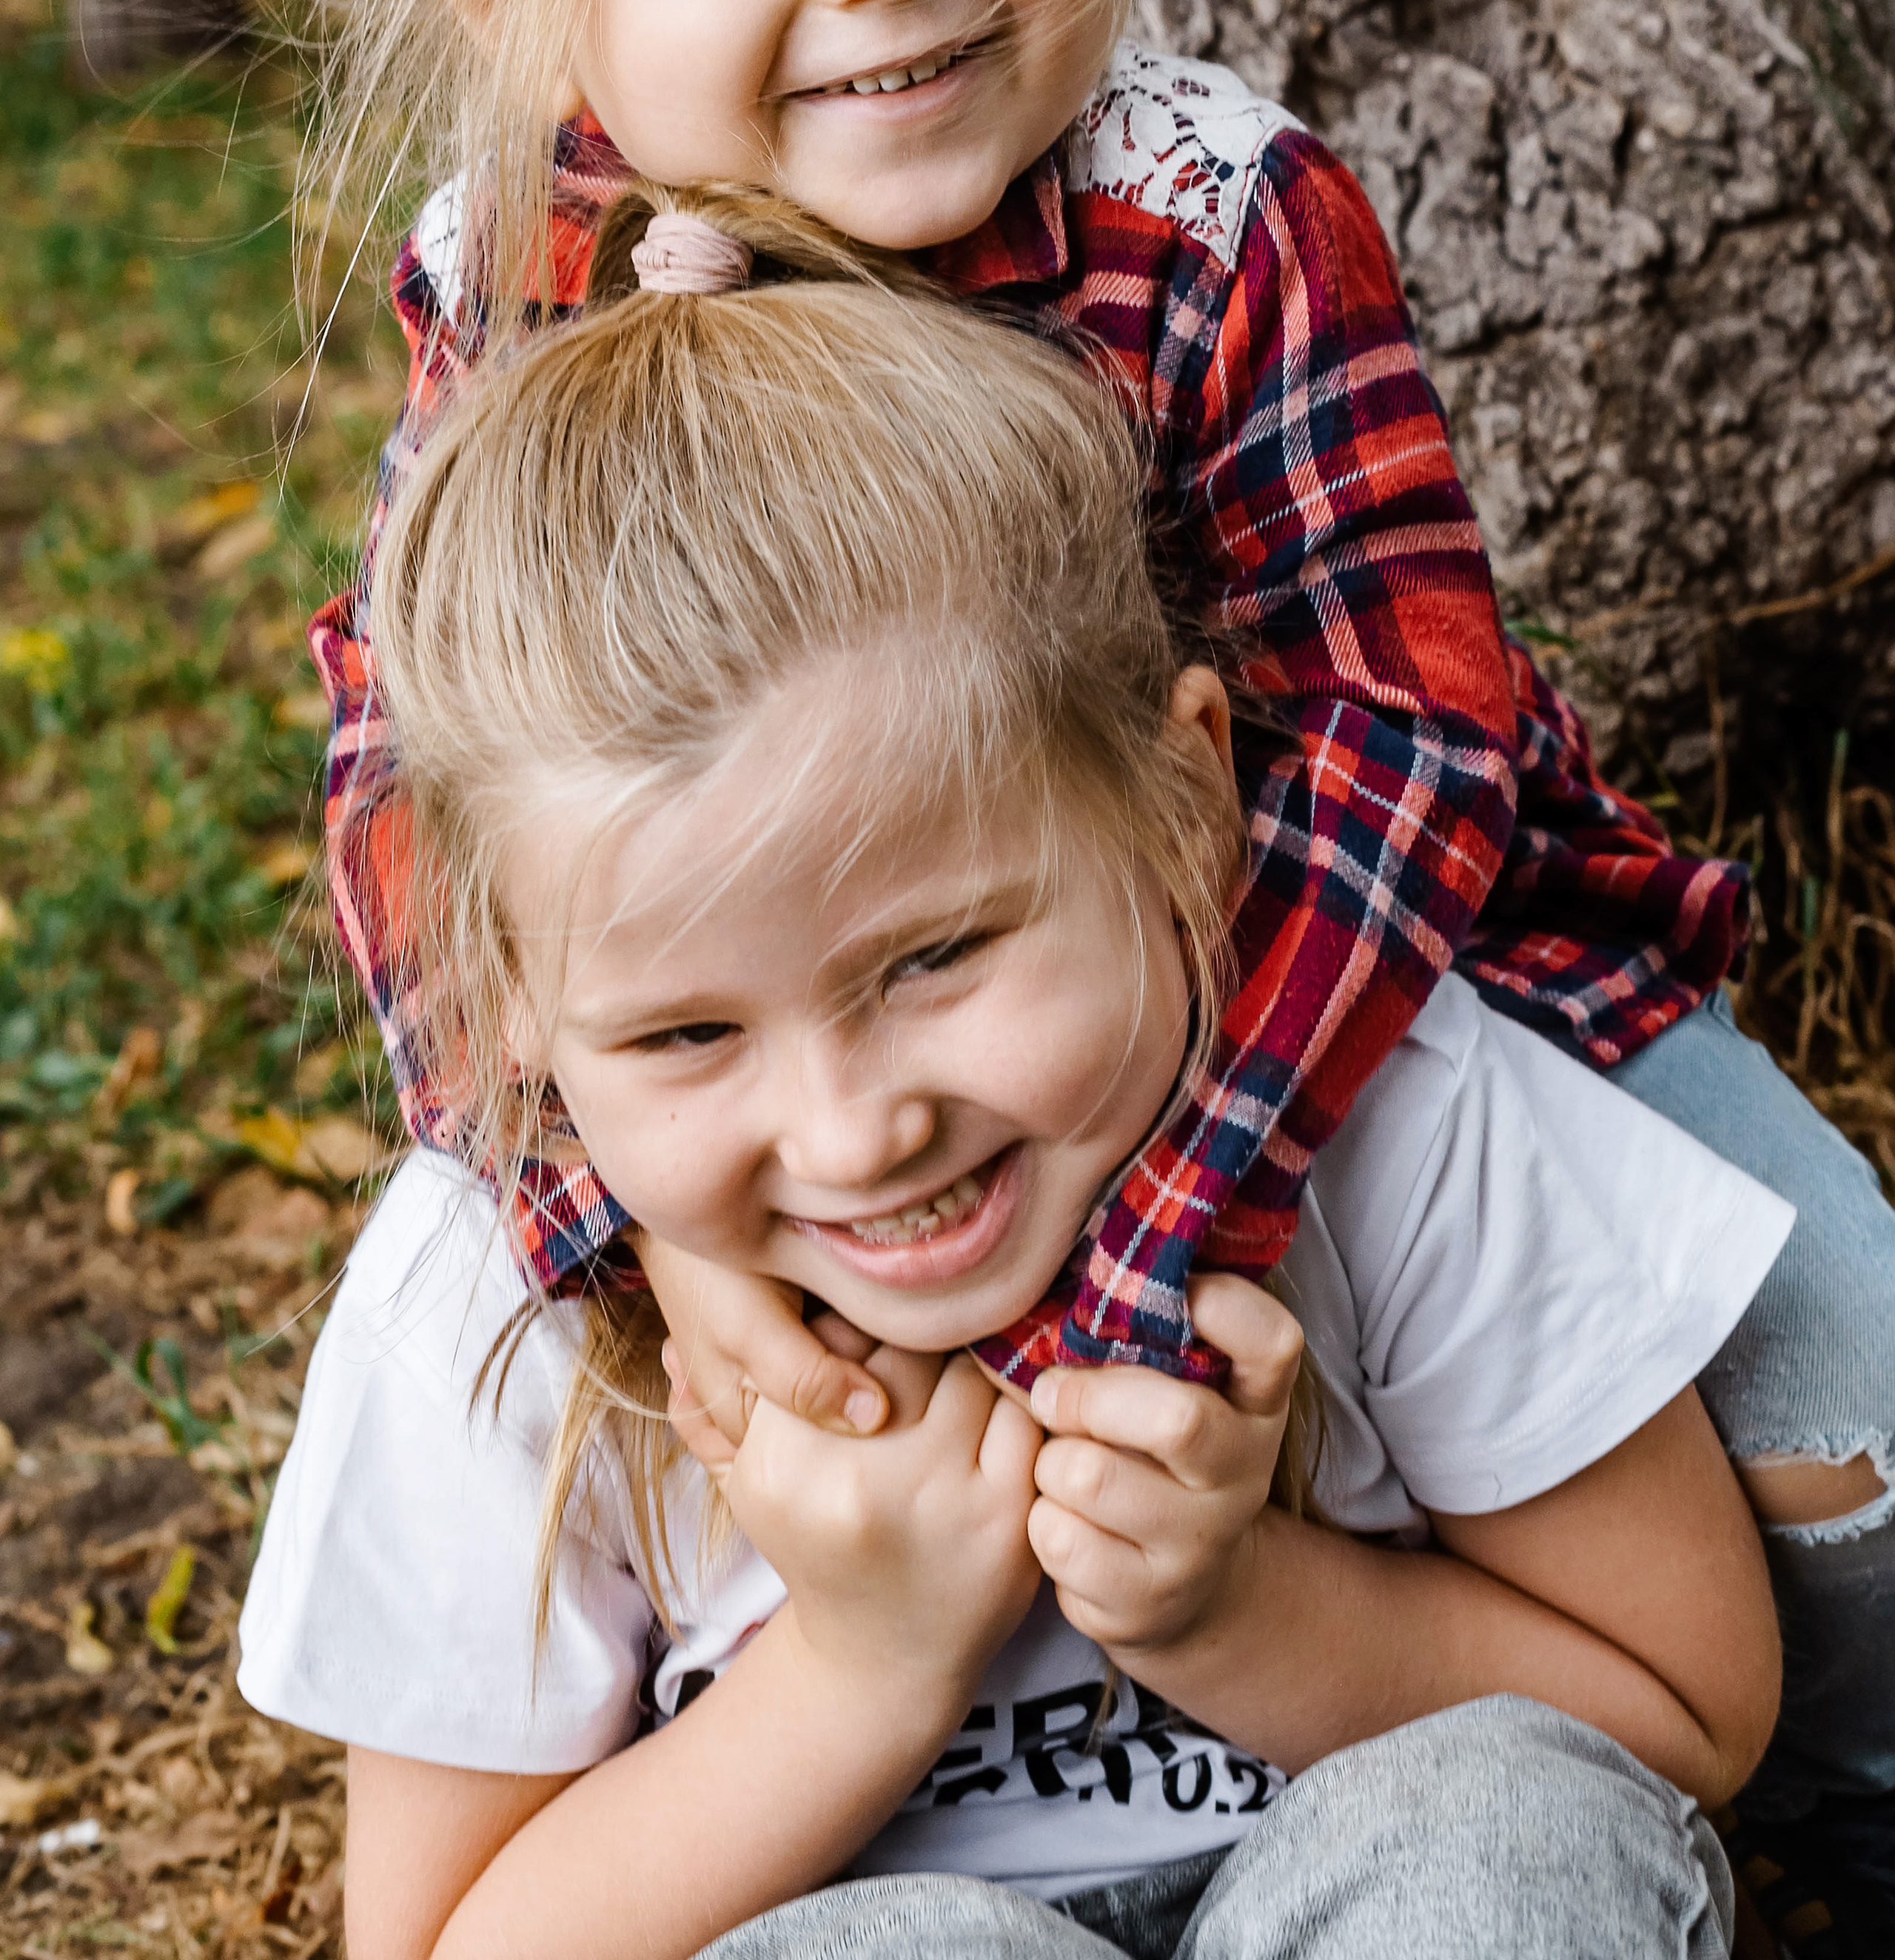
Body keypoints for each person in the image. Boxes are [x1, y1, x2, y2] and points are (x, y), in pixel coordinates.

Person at [303, 0, 1895, 1868]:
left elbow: (1399, 764)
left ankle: (1778, 1805)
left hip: (1407, 992)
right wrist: (623, 1236)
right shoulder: (513, 284)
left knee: (1859, 1412)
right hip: (902, 1035)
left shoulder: (1217, 213)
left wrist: (1164, 1245)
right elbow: (421, 798)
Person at [244, 197, 1791, 1960]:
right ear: (505, 994)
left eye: (934, 960)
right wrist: (853, 1669)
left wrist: (1235, 1610)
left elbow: (1679, 1715)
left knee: (1498, 1825)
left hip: (1381, 1889)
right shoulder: (484, 1312)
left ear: (1186, 806)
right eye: (685, 1035)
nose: (852, 1130)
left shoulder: (1390, 1120)